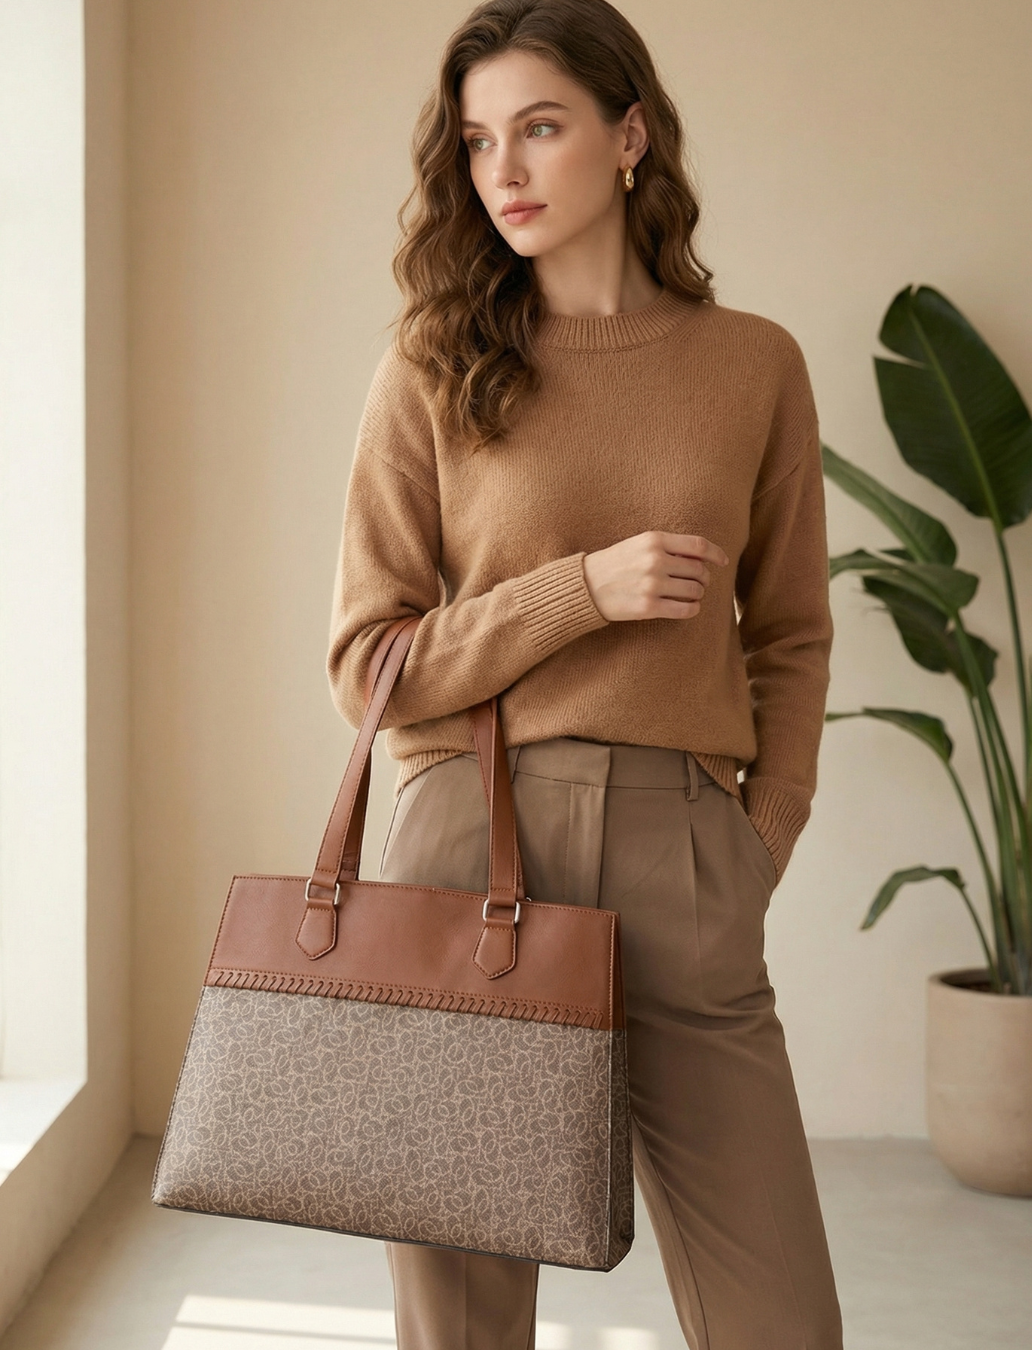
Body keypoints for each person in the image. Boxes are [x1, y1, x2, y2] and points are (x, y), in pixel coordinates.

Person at [326, 1, 842, 1346]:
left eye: (540, 128)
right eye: (481, 138)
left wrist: (761, 832)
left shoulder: (753, 365)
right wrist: (581, 590)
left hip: (685, 846)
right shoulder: (432, 367)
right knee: (463, 1320)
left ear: (629, 137)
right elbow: (369, 665)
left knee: (777, 1312)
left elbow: (789, 629)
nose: (503, 170)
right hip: (464, 842)